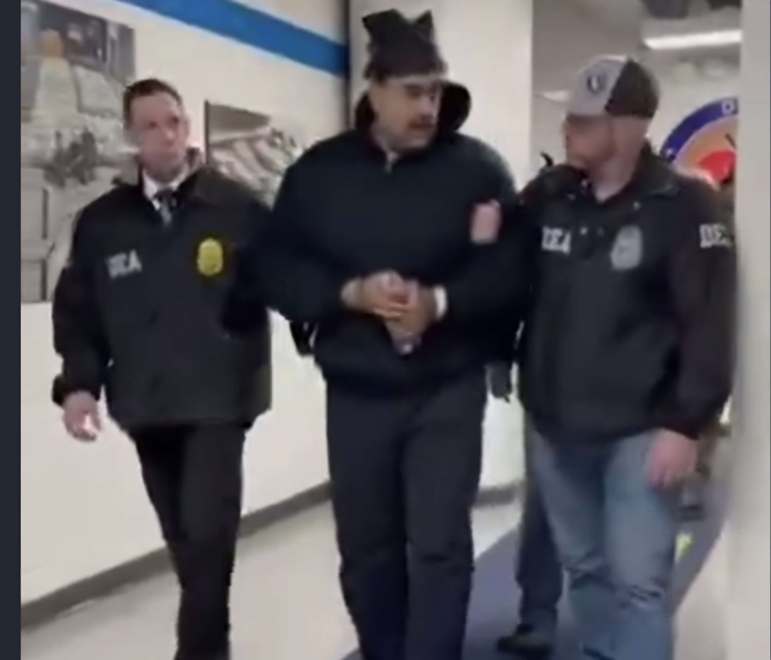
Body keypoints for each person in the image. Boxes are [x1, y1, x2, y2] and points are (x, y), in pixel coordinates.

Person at [226, 10, 529, 660]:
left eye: (436, 91)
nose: (428, 108)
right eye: (413, 92)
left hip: (447, 388)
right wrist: (349, 294)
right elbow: (274, 265)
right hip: (357, 390)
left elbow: (511, 269)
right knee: (367, 550)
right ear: (375, 90)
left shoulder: (476, 170)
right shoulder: (319, 174)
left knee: (440, 545)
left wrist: (439, 303)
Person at [515, 57, 735, 660]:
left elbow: (709, 323)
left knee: (639, 583)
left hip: (641, 429)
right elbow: (505, 277)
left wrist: (685, 424)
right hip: (557, 425)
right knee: (584, 568)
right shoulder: (553, 197)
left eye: (585, 121)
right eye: (570, 118)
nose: (569, 129)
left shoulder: (684, 206)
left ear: (629, 126)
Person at [52, 78, 272, 660]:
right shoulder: (102, 223)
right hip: (147, 403)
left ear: (187, 126)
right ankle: (212, 645)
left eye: (174, 121)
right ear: (131, 135)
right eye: (150, 125)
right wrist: (79, 386)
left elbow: (285, 277)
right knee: (186, 541)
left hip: (221, 397)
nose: (166, 134)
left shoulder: (236, 206)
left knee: (208, 533)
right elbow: (78, 313)